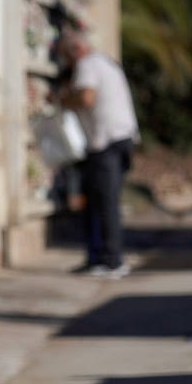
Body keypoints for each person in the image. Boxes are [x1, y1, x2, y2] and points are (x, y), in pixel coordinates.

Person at [60, 29, 139, 279]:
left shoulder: (87, 64)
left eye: (65, 56)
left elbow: (86, 97)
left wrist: (63, 100)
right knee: (98, 202)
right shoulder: (107, 63)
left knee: (105, 203)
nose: (67, 64)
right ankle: (98, 258)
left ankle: (112, 261)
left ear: (76, 50)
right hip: (121, 138)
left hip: (106, 142)